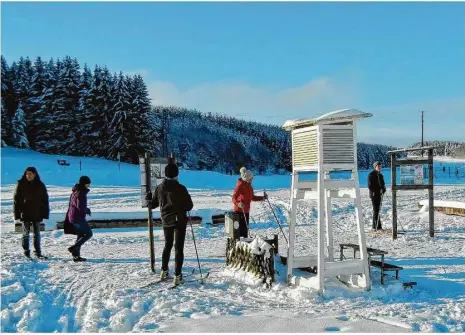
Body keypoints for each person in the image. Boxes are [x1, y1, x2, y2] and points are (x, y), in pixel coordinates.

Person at [146, 159, 193, 285]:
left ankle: (164, 270)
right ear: (176, 174)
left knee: (168, 245)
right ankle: (177, 275)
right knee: (178, 247)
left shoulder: (160, 188)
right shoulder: (181, 188)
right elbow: (189, 206)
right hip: (179, 221)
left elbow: (153, 205)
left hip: (166, 220)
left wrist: (149, 199)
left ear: (165, 174)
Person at [14, 167, 50, 258]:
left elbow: (45, 200)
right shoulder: (21, 184)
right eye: (27, 174)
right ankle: (26, 252)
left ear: (34, 174)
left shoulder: (40, 185)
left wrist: (44, 214)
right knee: (26, 233)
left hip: (36, 213)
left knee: (36, 234)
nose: (28, 176)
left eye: (30, 174)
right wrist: (17, 214)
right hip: (24, 213)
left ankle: (38, 252)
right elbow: (16, 200)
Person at [232, 167, 267, 238]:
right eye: (251, 177)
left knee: (245, 232)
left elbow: (252, 197)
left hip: (246, 211)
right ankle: (238, 247)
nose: (252, 179)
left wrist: (262, 198)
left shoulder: (250, 186)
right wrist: (238, 204)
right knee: (239, 233)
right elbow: (233, 198)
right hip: (239, 211)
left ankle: (244, 246)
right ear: (247, 178)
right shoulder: (240, 186)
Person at [66, 176, 93, 262]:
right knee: (89, 233)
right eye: (88, 184)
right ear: (84, 184)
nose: (89, 185)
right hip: (78, 217)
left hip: (73, 216)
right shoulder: (81, 193)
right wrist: (87, 210)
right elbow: (80, 207)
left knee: (81, 234)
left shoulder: (75, 191)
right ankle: (74, 248)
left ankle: (76, 256)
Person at [368, 161, 386, 231]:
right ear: (375, 167)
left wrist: (383, 190)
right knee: (376, 210)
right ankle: (376, 227)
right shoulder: (371, 175)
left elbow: (383, 185)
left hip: (379, 195)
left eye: (380, 166)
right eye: (378, 166)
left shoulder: (381, 175)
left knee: (377, 210)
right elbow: (370, 186)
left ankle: (376, 226)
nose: (380, 168)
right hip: (374, 195)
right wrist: (378, 191)